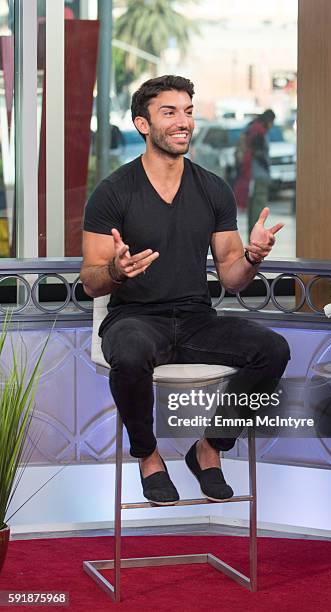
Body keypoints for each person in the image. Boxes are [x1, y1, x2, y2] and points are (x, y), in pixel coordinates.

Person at [80, 75, 290, 506]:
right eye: (169, 112)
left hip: (196, 319)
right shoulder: (113, 192)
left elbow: (232, 277)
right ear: (143, 124)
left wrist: (252, 256)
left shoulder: (212, 188)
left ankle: (209, 448)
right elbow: (89, 279)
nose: (184, 122)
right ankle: (148, 456)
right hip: (135, 317)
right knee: (132, 352)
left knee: (272, 349)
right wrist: (116, 271)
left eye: (189, 111)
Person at [233, 109, 275, 233]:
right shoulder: (260, 131)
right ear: (269, 120)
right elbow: (260, 154)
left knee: (252, 208)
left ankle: (253, 234)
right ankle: (256, 235)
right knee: (258, 208)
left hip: (249, 174)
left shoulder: (251, 128)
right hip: (258, 174)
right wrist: (267, 169)